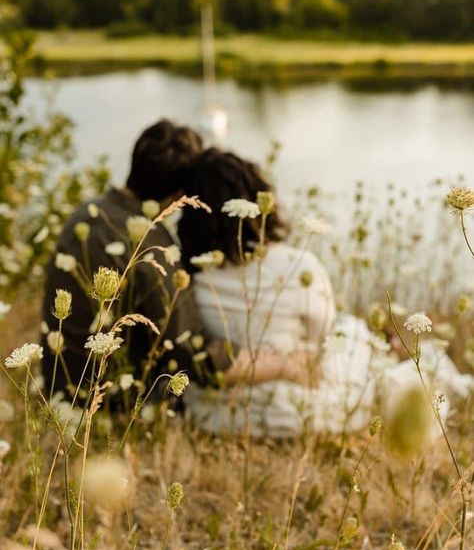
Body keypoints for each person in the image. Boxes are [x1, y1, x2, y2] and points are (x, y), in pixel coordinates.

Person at [178, 149, 474, 437]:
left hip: (216, 414)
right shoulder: (299, 264)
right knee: (357, 337)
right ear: (259, 200)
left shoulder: (190, 277)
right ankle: (448, 381)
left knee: (358, 336)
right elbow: (324, 338)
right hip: (298, 409)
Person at [41, 120, 310, 403]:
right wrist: (285, 366)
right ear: (181, 195)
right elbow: (195, 356)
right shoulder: (152, 248)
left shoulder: (88, 212)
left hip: (59, 383)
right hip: (106, 399)